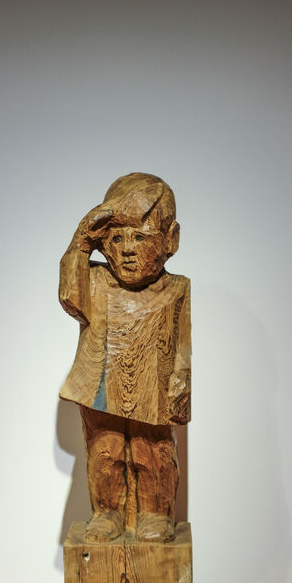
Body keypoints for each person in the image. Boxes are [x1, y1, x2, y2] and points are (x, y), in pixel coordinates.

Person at [59, 172, 190, 543]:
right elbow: (70, 297)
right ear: (102, 244)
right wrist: (80, 241)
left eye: (140, 237)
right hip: (102, 387)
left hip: (153, 389)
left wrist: (181, 378)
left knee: (154, 452)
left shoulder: (176, 288)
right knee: (106, 450)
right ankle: (107, 512)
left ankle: (155, 512)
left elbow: (182, 344)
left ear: (170, 240)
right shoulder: (95, 281)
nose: (128, 249)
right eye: (117, 238)